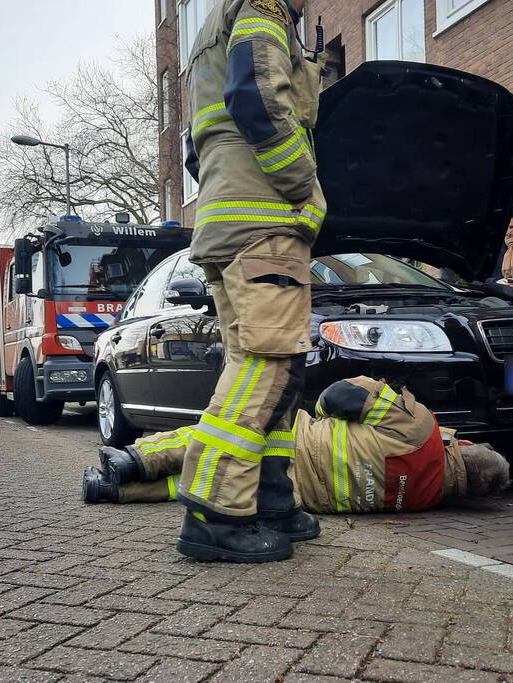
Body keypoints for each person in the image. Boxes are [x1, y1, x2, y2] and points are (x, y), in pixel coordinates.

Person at [174, 0, 327, 563]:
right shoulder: (263, 4)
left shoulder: (214, 25)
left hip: (230, 216)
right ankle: (215, 513)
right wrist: (304, 186)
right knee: (267, 364)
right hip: (264, 221)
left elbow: (198, 142)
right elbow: (255, 94)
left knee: (273, 366)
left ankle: (269, 499)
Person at [82, 377, 511, 528]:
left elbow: (341, 395)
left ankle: (132, 460)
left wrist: (322, 413)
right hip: (291, 492)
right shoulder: (427, 501)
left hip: (294, 442)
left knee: (219, 436)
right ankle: (113, 492)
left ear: (466, 446)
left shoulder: (422, 431)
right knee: (199, 484)